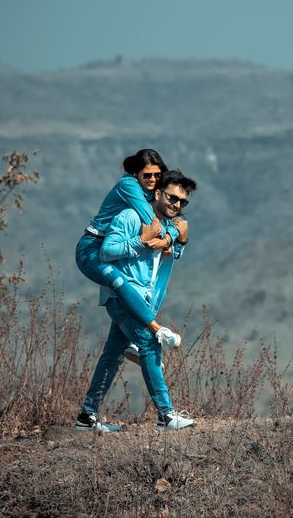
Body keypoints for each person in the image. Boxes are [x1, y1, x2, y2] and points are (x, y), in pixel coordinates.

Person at [75, 169, 197, 432]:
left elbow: (172, 253)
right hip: (122, 295)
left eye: (182, 202)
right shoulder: (129, 216)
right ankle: (165, 414)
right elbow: (107, 251)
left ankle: (87, 416)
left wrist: (179, 239)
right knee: (150, 343)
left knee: (113, 355)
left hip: (143, 300)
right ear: (156, 193)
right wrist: (142, 241)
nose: (176, 205)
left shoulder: (167, 225)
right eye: (172, 198)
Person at [75, 148, 179, 337]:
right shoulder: (128, 184)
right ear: (136, 173)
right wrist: (171, 236)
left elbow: (168, 221)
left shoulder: (150, 191)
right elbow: (151, 219)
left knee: (113, 352)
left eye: (158, 174)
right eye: (147, 175)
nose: (153, 179)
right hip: (92, 247)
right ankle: (155, 329)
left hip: (114, 247)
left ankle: (131, 347)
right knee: (120, 283)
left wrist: (173, 234)